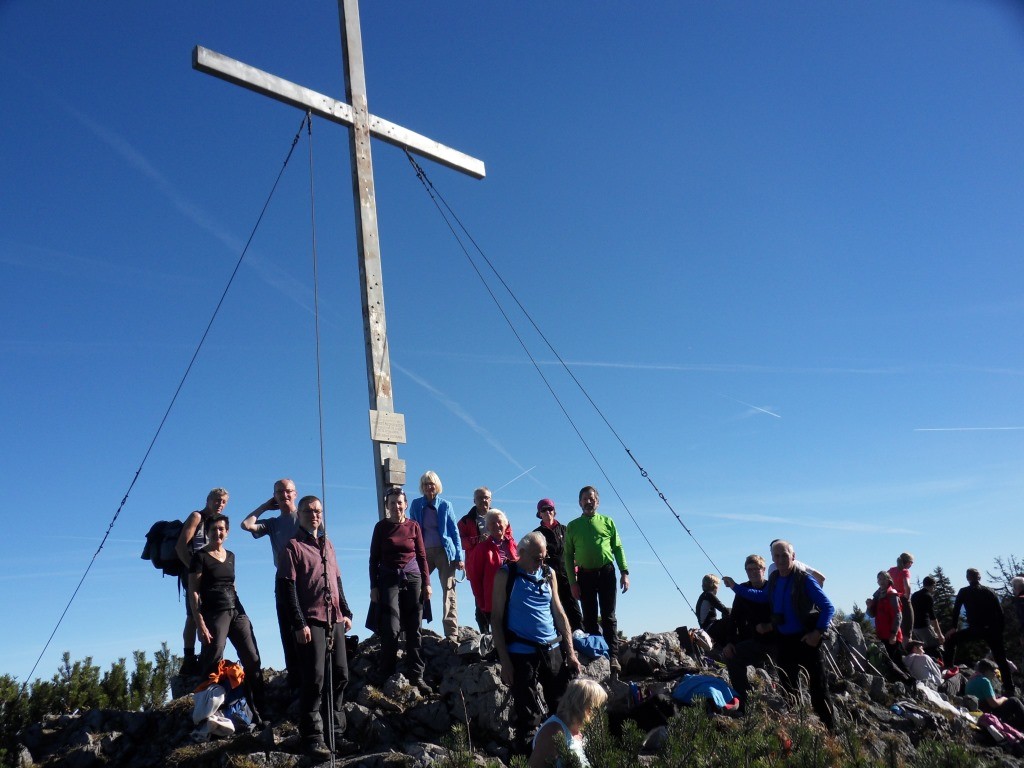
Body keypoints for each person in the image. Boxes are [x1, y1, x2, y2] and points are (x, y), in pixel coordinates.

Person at [723, 540, 836, 729]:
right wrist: (735, 587)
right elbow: (760, 596)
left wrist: (817, 632)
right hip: (785, 642)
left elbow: (828, 607)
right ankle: (798, 730)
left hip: (806, 640)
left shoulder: (804, 579)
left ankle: (831, 730)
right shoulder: (775, 579)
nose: (781, 559)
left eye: (785, 555)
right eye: (777, 556)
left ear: (793, 556)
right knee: (789, 689)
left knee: (818, 689)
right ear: (773, 559)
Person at [278, 496, 357, 759]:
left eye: (318, 511)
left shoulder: (328, 544)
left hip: (334, 619)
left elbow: (337, 580)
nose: (314, 515)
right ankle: (312, 736)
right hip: (311, 621)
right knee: (314, 680)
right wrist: (299, 623)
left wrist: (345, 611)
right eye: (309, 511)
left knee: (340, 675)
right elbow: (287, 588)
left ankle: (337, 732)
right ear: (299, 514)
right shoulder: (293, 547)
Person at [493, 532, 583, 754]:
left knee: (562, 707)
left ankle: (567, 753)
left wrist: (570, 653)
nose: (540, 562)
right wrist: (505, 661)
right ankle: (531, 755)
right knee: (528, 715)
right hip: (521, 653)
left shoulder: (548, 573)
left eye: (543, 557)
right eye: (536, 558)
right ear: (520, 553)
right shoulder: (506, 575)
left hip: (552, 649)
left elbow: (559, 612)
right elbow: (495, 619)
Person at [187, 513, 266, 721]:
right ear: (208, 533)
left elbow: (233, 583)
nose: (218, 533)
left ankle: (259, 705)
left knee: (251, 656)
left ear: (227, 532)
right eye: (214, 529)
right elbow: (194, 591)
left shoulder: (231, 555)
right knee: (213, 655)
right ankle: (208, 708)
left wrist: (242, 614)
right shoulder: (200, 557)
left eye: (221, 529)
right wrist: (200, 623)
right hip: (214, 612)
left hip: (236, 609)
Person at [368, 487, 431, 690]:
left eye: (400, 502)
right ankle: (386, 671)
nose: (397, 506)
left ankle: (417, 675)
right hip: (388, 578)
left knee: (415, 627)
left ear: (405, 504)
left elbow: (422, 557)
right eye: (392, 502)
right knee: (391, 627)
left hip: (413, 577)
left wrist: (427, 584)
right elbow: (373, 560)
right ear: (387, 505)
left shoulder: (414, 526)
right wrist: (374, 586)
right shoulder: (380, 528)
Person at [240, 478, 301, 688]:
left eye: (288, 491)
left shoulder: (305, 517)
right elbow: (246, 525)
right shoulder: (273, 523)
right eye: (279, 492)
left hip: (307, 580)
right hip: (283, 580)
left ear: (295, 493)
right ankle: (294, 678)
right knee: (287, 630)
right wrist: (266, 506)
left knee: (309, 627)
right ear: (275, 496)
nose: (284, 495)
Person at [564, 486, 629, 674]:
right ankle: (596, 655)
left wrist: (625, 572)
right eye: (584, 499)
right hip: (584, 575)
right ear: (579, 503)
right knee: (590, 617)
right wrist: (572, 582)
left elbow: (618, 547)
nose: (588, 501)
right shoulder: (573, 526)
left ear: (597, 502)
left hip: (606, 572)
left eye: (591, 498)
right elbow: (568, 556)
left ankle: (614, 657)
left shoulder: (607, 522)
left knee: (609, 616)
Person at [175, 487, 229, 675]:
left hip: (210, 574)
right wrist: (193, 568)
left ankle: (206, 655)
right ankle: (188, 658)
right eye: (217, 500)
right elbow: (180, 545)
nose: (220, 504)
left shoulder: (216, 523)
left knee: (208, 614)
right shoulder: (197, 517)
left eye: (223, 502)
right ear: (208, 500)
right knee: (193, 614)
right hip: (194, 572)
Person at [408, 471, 463, 643]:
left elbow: (454, 532)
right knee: (416, 587)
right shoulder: (416, 505)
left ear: (437, 485)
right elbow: (412, 530)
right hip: (423, 553)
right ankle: (413, 628)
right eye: (425, 484)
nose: (428, 487)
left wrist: (459, 556)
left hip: (445, 552)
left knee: (449, 591)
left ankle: (451, 632)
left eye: (431, 484)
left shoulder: (445, 505)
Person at [944, 568, 1015, 696]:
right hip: (991, 629)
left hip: (975, 629)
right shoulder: (989, 591)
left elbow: (956, 611)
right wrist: (999, 631)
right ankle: (1009, 688)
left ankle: (949, 668)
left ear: (967, 578)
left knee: (951, 640)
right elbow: (1000, 612)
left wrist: (953, 627)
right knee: (1001, 659)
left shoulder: (964, 592)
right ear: (980, 578)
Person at [722, 554, 777, 713]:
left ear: (764, 569)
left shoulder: (771, 588)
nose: (753, 572)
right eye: (749, 569)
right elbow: (734, 619)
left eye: (756, 569)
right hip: (756, 641)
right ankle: (746, 701)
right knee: (732, 658)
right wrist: (729, 642)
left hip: (776, 640)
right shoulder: (742, 591)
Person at [529, 678, 607, 768]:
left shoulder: (579, 729)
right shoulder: (553, 732)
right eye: (598, 707)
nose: (600, 712)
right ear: (587, 708)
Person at [534, 498, 583, 633]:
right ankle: (560, 646)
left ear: (554, 511)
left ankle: (580, 640)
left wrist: (576, 570)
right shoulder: (536, 534)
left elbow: (575, 552)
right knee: (554, 612)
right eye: (544, 510)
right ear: (539, 513)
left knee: (574, 611)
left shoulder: (565, 530)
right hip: (548, 580)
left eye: (550, 509)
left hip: (568, 577)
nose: (547, 512)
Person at [467, 510, 519, 633]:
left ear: (505, 524)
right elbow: (475, 578)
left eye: (499, 521)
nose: (496, 525)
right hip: (494, 601)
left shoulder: (513, 545)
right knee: (501, 636)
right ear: (487, 527)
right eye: (492, 523)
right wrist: (482, 603)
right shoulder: (482, 548)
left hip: (515, 599)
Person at [867, 570, 910, 680]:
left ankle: (910, 683)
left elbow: (897, 615)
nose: (881, 581)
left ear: (888, 579)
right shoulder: (877, 595)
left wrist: (893, 634)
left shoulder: (892, 594)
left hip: (892, 635)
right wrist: (869, 606)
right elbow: (872, 614)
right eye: (879, 579)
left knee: (897, 662)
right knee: (890, 662)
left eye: (883, 579)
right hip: (882, 635)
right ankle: (900, 684)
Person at [966, 659, 1024, 730]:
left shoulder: (971, 679)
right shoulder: (985, 681)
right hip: (988, 713)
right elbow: (993, 704)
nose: (995, 674)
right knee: (1014, 701)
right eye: (993, 671)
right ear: (986, 671)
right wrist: (1004, 698)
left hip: (979, 711)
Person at [910, 576, 945, 654]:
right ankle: (938, 664)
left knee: (924, 648)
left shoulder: (914, 595)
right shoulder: (928, 596)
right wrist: (940, 634)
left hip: (915, 627)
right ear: (933, 585)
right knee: (934, 646)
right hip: (924, 626)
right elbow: (932, 616)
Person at [695, 574, 731, 646]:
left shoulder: (703, 596)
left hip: (705, 628)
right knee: (730, 617)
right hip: (710, 629)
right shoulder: (709, 595)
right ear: (715, 585)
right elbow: (724, 610)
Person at [888, 553, 914, 647]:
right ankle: (906, 650)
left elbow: (887, 581)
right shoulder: (904, 571)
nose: (911, 565)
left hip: (893, 599)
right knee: (907, 627)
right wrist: (907, 596)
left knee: (898, 625)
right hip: (902, 599)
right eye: (911, 563)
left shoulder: (891, 570)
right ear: (907, 562)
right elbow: (907, 584)